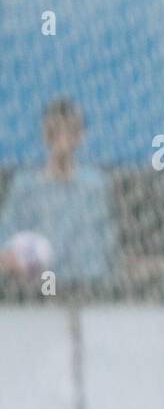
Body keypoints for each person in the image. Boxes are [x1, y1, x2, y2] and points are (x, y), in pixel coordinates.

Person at [0, 98, 115, 291]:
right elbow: (6, 239)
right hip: (34, 288)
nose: (62, 139)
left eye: (70, 131)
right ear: (46, 135)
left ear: (80, 136)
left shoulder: (94, 186)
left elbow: (104, 246)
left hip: (87, 287)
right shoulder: (25, 187)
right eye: (56, 131)